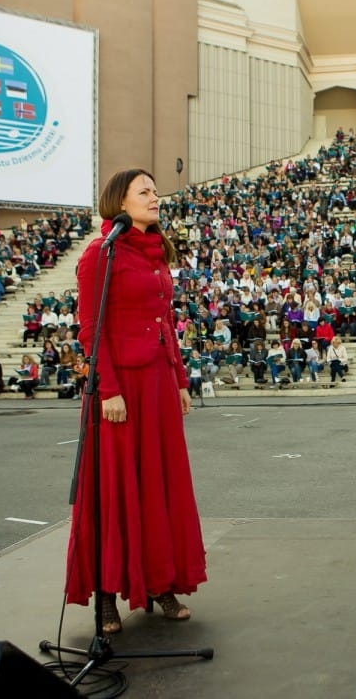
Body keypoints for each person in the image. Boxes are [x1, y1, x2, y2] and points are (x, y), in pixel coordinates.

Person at [66, 168, 207, 635]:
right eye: (144, 191)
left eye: (155, 190)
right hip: (119, 385)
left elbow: (165, 320)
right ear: (119, 203)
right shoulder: (98, 255)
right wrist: (107, 389)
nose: (155, 196)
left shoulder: (156, 252)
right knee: (115, 489)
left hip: (158, 383)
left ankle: (158, 581)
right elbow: (91, 328)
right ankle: (107, 594)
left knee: (157, 486)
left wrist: (181, 378)